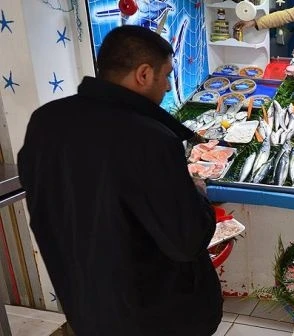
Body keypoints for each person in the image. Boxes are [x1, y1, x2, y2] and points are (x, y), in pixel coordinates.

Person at [18, 26, 223, 336]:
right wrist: (197, 193)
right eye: (165, 75)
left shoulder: (45, 120)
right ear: (143, 74)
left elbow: (48, 203)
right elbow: (187, 240)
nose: (168, 86)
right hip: (154, 315)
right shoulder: (150, 138)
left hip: (84, 302)